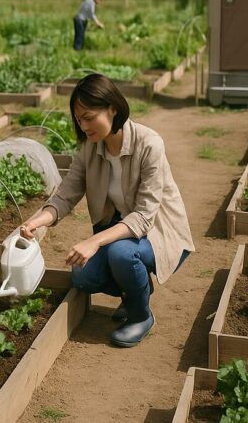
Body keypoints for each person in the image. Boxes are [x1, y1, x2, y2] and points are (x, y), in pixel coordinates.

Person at [20, 74, 194, 347]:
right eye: (79, 119)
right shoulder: (90, 148)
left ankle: (140, 316)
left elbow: (144, 218)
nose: (83, 125)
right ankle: (137, 290)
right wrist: (37, 222)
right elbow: (66, 194)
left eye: (89, 117)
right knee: (82, 275)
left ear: (112, 108)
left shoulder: (149, 144)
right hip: (119, 234)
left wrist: (93, 242)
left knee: (121, 254)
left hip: (160, 236)